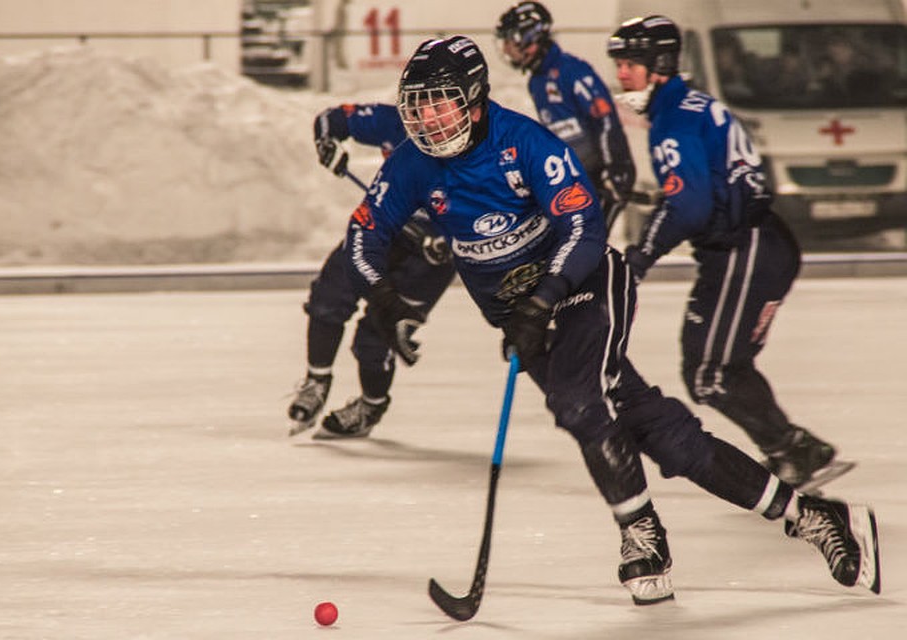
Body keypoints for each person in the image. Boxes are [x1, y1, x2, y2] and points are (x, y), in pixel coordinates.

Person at [341, 34, 880, 605]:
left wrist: (543, 299)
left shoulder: (524, 142)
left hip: (585, 286)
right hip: (521, 316)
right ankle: (813, 516)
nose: (427, 119)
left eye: (440, 102)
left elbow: (584, 230)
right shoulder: (411, 163)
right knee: (663, 437)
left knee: (578, 402)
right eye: (417, 105)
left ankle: (640, 532)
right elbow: (363, 235)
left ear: (474, 100)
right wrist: (382, 297)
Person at [607, 15, 846, 491]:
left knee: (710, 373)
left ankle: (794, 450)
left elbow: (689, 204)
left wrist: (642, 254)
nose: (621, 75)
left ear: (659, 65)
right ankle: (794, 450)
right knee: (717, 369)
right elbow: (700, 189)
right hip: (755, 244)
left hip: (745, 248)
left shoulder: (673, 119)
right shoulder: (691, 107)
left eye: (630, 64)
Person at [286, 102, 456, 439]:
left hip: (429, 259)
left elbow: (501, 206)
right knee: (329, 296)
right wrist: (327, 142)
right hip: (381, 231)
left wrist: (452, 236)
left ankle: (372, 404)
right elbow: (329, 120)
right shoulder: (393, 121)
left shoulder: (477, 145)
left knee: (379, 333)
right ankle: (316, 380)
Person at [495, 1, 635, 226]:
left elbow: (606, 120)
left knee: (587, 244)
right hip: (573, 179)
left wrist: (616, 168)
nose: (506, 49)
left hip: (600, 178)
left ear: (529, 38)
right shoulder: (537, 81)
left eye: (510, 41)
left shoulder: (572, 70)